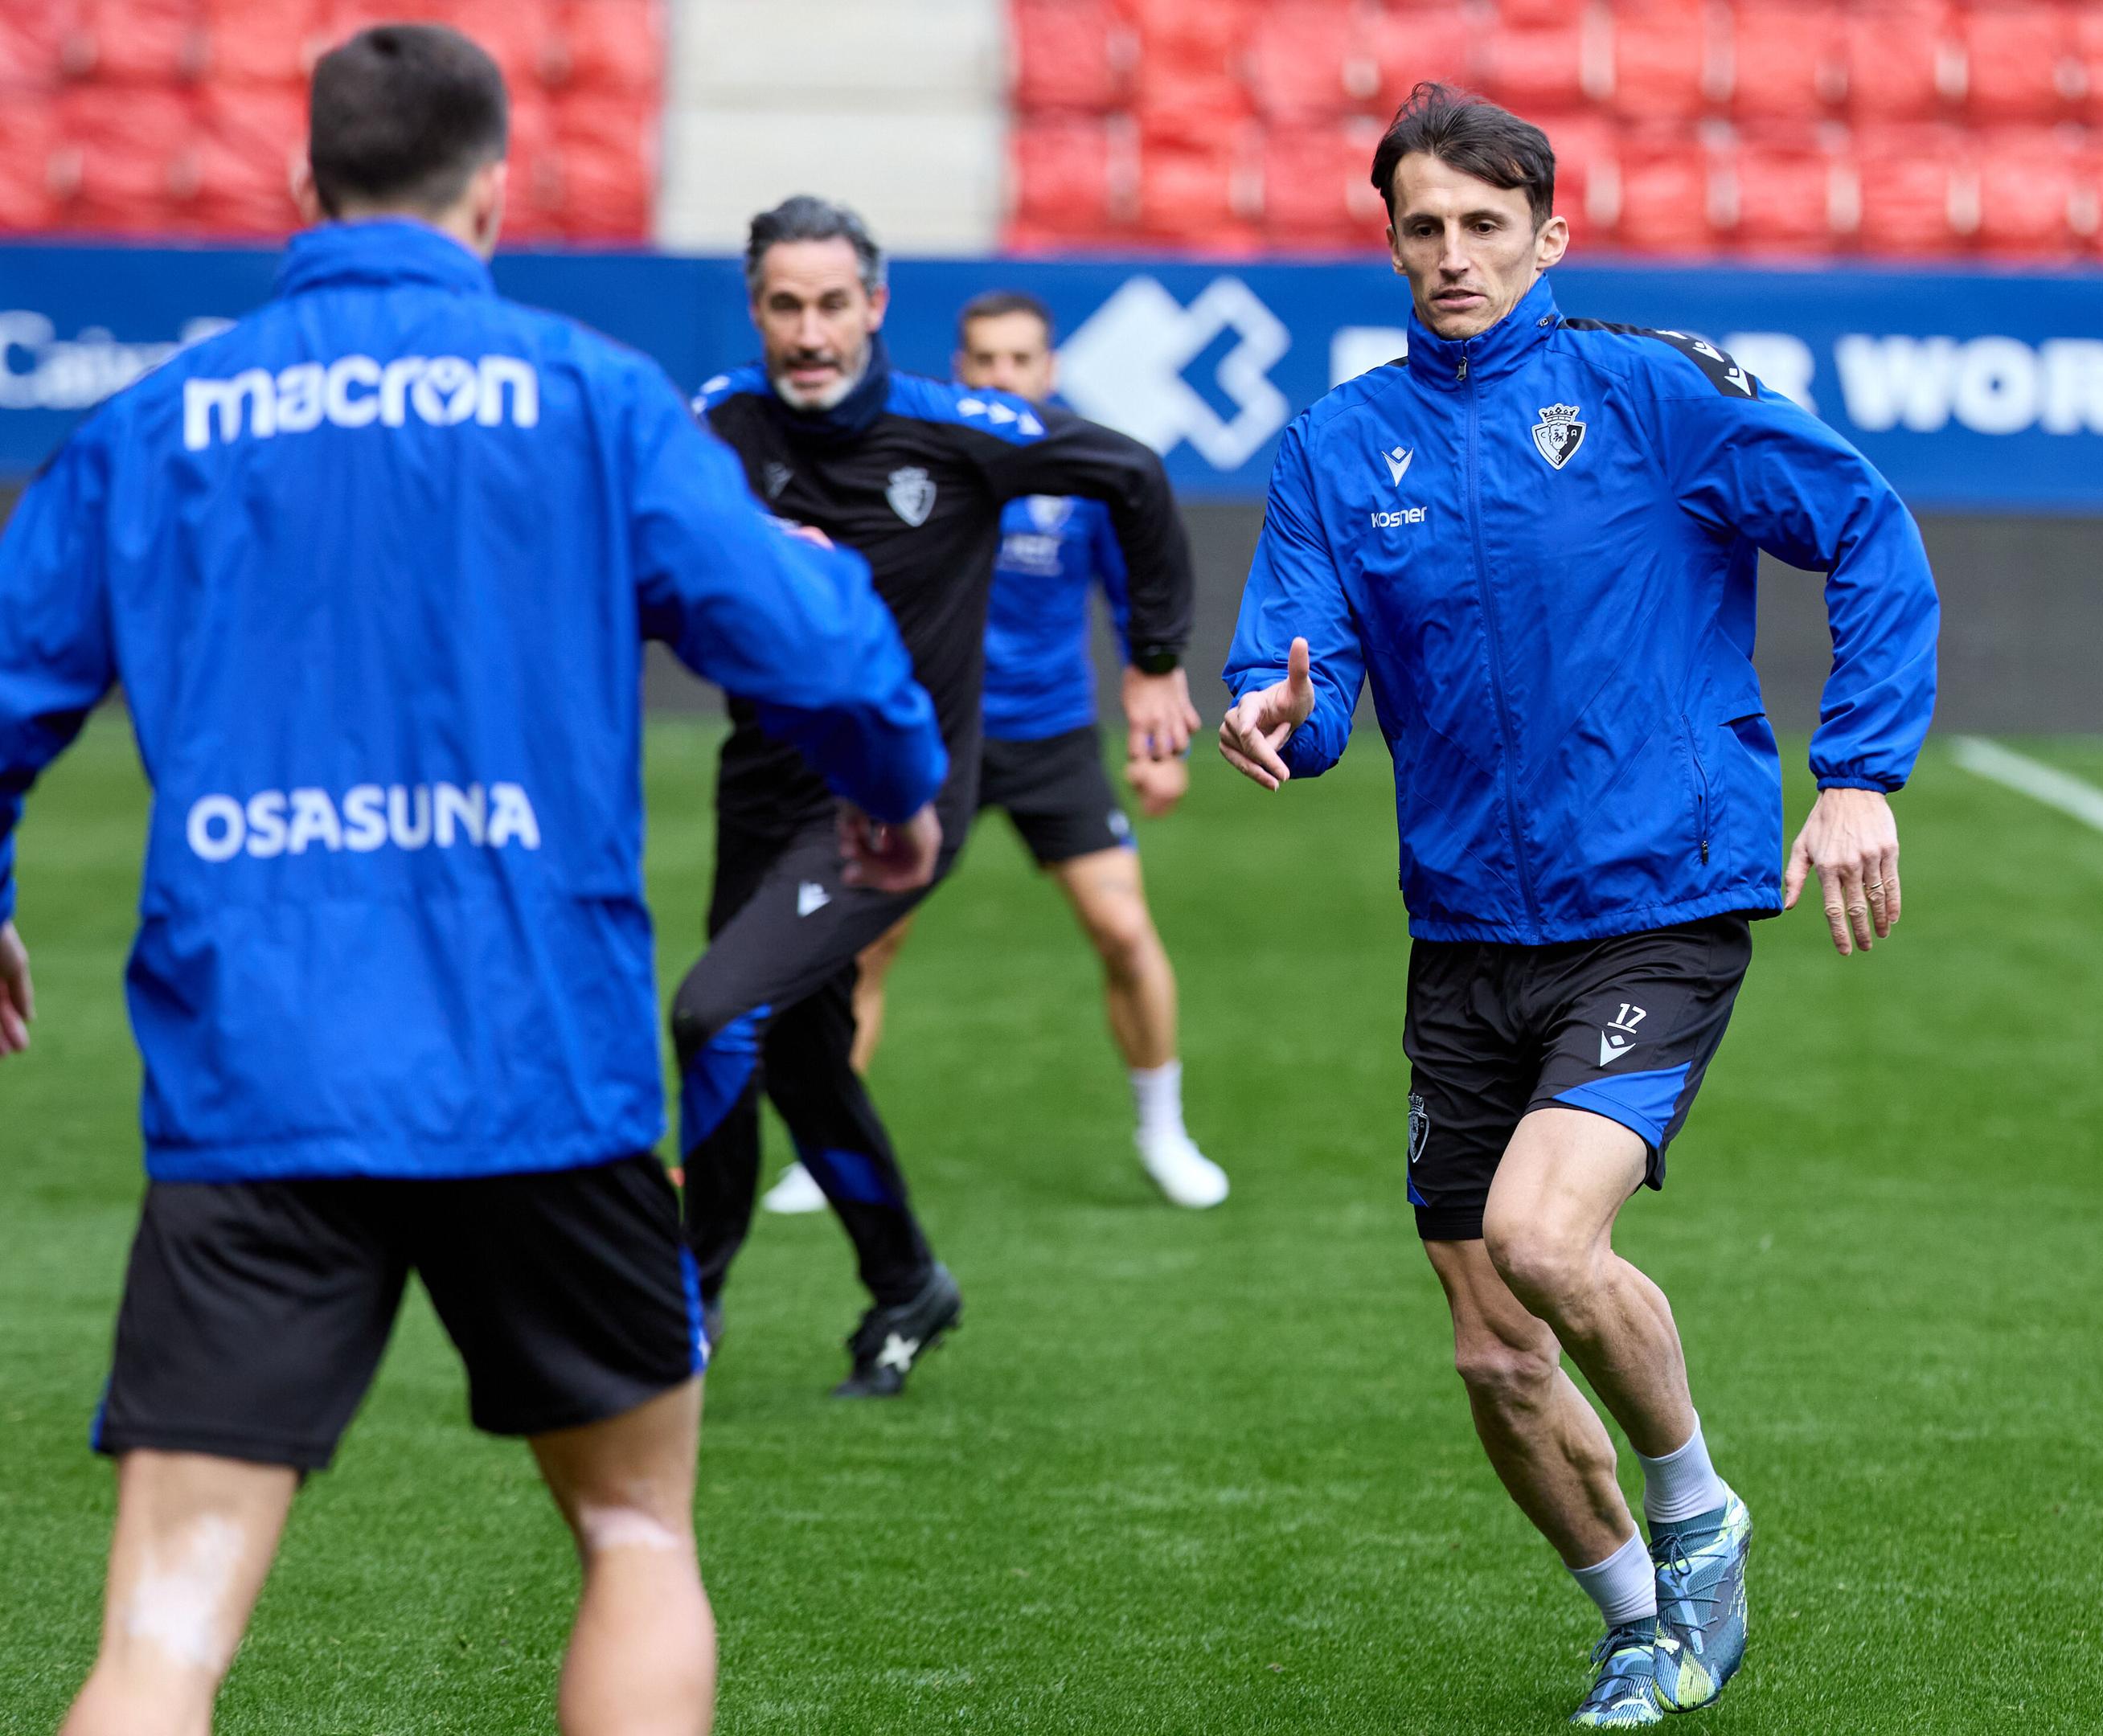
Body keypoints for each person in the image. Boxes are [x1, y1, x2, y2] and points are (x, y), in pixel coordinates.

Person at [0, 27, 948, 1736]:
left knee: (160, 1640)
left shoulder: (158, 421)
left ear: (302, 186)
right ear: (497, 195)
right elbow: (809, 633)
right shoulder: (592, 400)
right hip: (544, 1070)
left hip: (259, 1078)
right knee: (637, 1533)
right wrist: (893, 795)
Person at [1217, 84, 1939, 1729]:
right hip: (1466, 931)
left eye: (1486, 224)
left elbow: (1870, 533)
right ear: (1389, 239)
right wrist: (1274, 715)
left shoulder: (1655, 393)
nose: (1454, 254)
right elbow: (1295, 669)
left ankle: (1698, 1514)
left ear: (1552, 231)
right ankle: (1636, 1622)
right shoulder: (1340, 445)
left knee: (1549, 1237)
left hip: (1659, 899)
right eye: (1424, 227)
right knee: (1490, 1351)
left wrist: (1862, 769)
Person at [677, 195, 1199, 1398]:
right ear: (757, 309)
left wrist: (1157, 658)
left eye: (831, 304)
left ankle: (685, 1310)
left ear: (875, 307)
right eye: (783, 305)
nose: (808, 332)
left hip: (889, 808)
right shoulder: (716, 425)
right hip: (757, 793)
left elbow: (1133, 475)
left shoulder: (959, 429)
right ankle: (907, 1282)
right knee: (800, 1058)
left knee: (712, 1016)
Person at [770, 289, 1226, 1216]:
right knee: (867, 943)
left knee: (1124, 933)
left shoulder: (1084, 471)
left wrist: (1159, 743)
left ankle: (1163, 1130)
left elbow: (1136, 602)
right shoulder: (918, 461)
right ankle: (824, 1151)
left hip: (1053, 737)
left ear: (1049, 370)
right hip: (929, 738)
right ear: (959, 367)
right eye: (984, 360)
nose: (1002, 377)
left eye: (1021, 360)